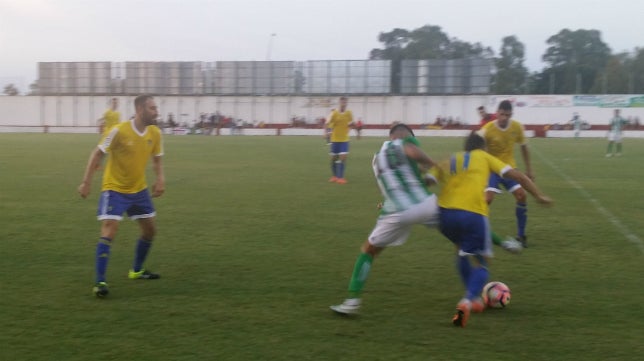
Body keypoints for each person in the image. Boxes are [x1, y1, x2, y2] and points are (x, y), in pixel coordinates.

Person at [433, 132, 552, 327]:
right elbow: (517, 175)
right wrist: (539, 196)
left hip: (445, 215)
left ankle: (474, 300)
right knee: (482, 263)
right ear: (483, 148)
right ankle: (467, 301)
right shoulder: (485, 156)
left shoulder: (453, 159)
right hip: (472, 214)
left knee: (461, 252)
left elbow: (429, 177)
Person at [330, 123, 438, 315]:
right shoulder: (404, 143)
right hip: (425, 205)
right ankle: (496, 251)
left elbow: (396, 185)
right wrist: (432, 166)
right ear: (405, 136)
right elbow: (413, 152)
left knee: (369, 250)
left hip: (395, 211)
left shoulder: (376, 159)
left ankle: (352, 301)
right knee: (462, 229)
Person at [78, 95, 166, 298]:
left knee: (150, 230)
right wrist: (86, 182)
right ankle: (100, 281)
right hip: (114, 189)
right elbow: (98, 153)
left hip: (139, 189)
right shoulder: (118, 130)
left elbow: (158, 159)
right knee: (110, 229)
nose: (156, 112)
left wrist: (160, 179)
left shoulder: (155, 133)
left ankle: (136, 270)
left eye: (156, 108)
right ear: (140, 110)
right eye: (152, 108)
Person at [479, 100, 532, 247]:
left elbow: (524, 147)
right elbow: (476, 147)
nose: (504, 118)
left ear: (511, 115)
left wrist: (529, 169)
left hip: (509, 170)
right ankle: (478, 232)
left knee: (522, 195)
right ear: (497, 113)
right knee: (487, 200)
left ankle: (521, 236)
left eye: (507, 115)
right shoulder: (487, 129)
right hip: (493, 170)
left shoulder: (517, 127)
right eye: (501, 114)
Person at [326, 97, 353, 184]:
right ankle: (334, 176)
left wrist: (350, 129)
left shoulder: (349, 113)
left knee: (343, 157)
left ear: (346, 103)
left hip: (344, 139)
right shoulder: (334, 113)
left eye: (345, 102)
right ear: (339, 103)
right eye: (342, 102)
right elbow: (329, 123)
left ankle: (340, 177)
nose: (343, 103)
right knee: (334, 158)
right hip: (335, 139)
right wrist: (328, 132)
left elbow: (351, 123)